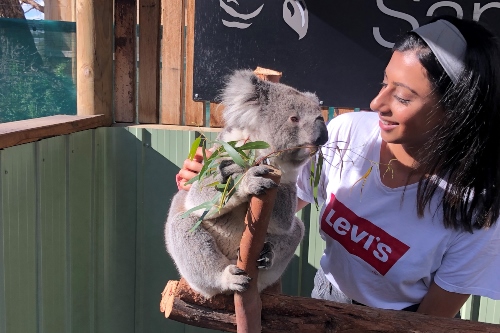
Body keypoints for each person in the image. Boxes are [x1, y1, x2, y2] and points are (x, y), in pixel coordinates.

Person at [175, 15, 500, 318]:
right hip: (325, 299)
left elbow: (432, 321)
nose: (377, 104)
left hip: (401, 320)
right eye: (384, 83)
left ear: (457, 113)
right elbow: (279, 204)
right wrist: (216, 181)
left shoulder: (477, 212)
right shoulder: (348, 134)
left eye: (402, 97)